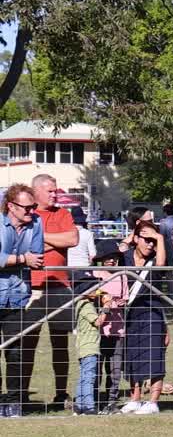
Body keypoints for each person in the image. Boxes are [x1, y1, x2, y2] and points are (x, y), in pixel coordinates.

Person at [26, 174, 79, 410]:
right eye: (50, 191)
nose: (55, 194)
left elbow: (72, 238)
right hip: (31, 288)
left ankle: (61, 393)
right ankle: (21, 394)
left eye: (56, 190)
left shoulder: (63, 214)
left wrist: (41, 239)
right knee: (26, 343)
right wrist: (53, 241)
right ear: (35, 191)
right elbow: (22, 245)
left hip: (59, 287)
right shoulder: (25, 214)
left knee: (60, 344)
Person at [0, 185, 44, 417]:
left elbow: (36, 257)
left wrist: (13, 260)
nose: (31, 211)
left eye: (33, 206)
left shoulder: (36, 223)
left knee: (16, 352)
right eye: (26, 208)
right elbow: (27, 259)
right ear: (11, 206)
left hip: (17, 297)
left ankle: (15, 402)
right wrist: (21, 259)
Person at [120, 220, 168, 415]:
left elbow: (161, 266)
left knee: (154, 354)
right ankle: (135, 398)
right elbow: (107, 254)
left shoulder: (157, 257)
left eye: (153, 241)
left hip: (152, 312)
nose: (150, 244)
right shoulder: (124, 258)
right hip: (129, 313)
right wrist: (128, 239)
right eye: (146, 240)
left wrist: (160, 238)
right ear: (136, 238)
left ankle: (153, 401)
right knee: (131, 355)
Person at [89, 240, 127, 412]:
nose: (111, 261)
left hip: (117, 329)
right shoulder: (94, 274)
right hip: (98, 329)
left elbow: (125, 299)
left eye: (114, 258)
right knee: (96, 366)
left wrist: (118, 302)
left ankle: (112, 399)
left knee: (114, 368)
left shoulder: (122, 275)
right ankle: (96, 399)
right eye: (107, 258)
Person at [71, 273, 108, 415]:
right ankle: (89, 406)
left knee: (83, 376)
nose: (97, 291)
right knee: (89, 377)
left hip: (84, 347)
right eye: (94, 289)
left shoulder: (82, 304)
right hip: (89, 347)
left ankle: (79, 405)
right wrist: (106, 306)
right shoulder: (85, 305)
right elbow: (98, 322)